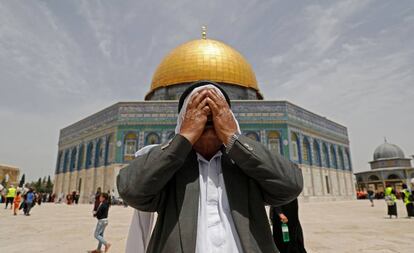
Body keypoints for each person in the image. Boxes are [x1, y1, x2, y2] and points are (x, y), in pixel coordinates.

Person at [117, 81, 303, 253]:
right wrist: (183, 140)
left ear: (230, 119)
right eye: (198, 111)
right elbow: (131, 189)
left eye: (216, 112)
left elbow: (291, 185)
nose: (208, 118)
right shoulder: (170, 170)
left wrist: (233, 139)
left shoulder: (245, 166)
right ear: (184, 120)